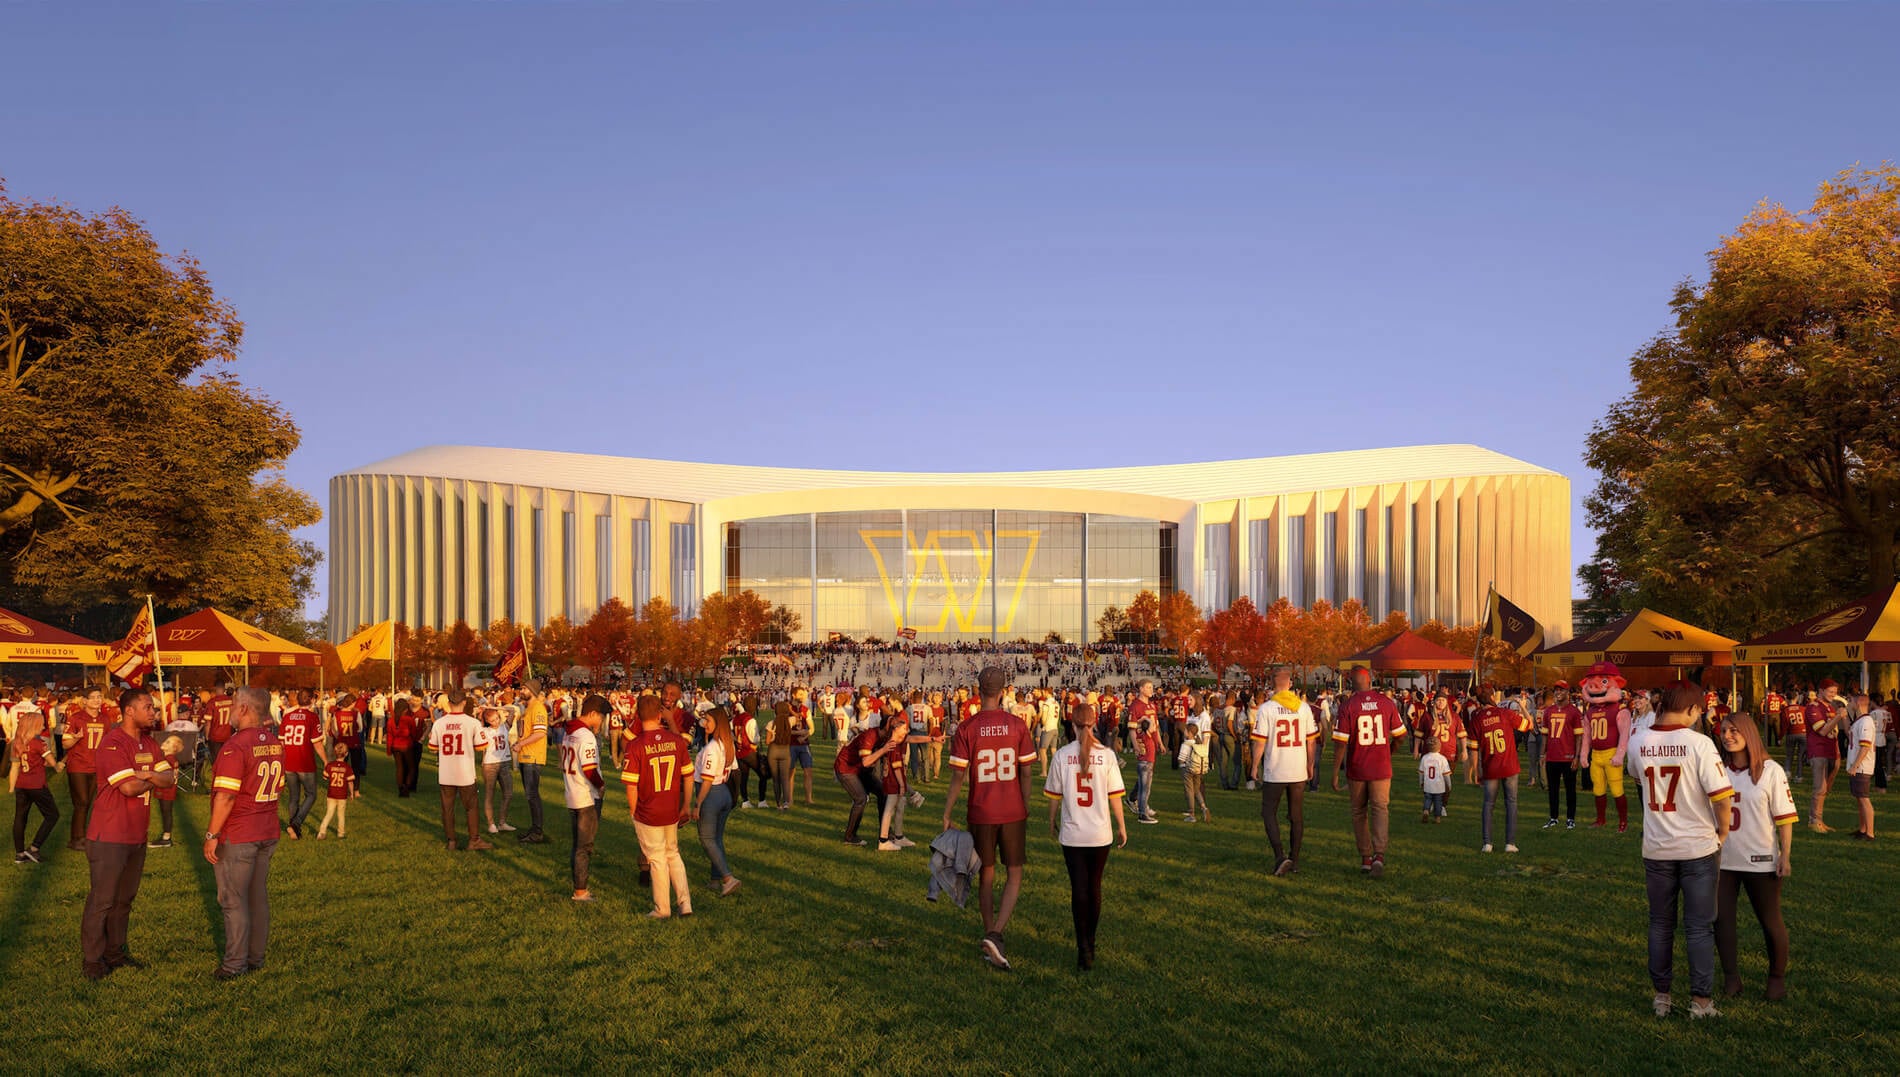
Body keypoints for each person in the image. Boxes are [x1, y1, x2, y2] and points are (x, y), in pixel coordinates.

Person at [1626, 681, 1733, 1018]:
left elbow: (1638, 780)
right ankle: (1701, 1002)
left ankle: (1662, 997)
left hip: (1657, 845)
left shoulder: (1638, 741)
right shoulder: (1699, 743)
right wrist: (1724, 832)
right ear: (1690, 709)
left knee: (1660, 923)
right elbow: (1721, 797)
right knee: (1699, 926)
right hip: (1697, 845)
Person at [941, 665, 1037, 971]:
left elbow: (958, 777)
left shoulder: (967, 727)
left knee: (987, 874)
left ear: (977, 691)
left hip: (981, 809)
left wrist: (947, 812)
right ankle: (996, 933)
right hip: (1012, 810)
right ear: (1005, 690)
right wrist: (1025, 802)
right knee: (1015, 872)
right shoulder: (1017, 725)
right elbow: (1025, 771)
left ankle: (990, 933)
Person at [80, 687, 173, 980]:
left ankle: (115, 953)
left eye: (154, 708)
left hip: (136, 834)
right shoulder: (113, 743)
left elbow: (169, 778)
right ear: (129, 711)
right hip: (109, 835)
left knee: (124, 900)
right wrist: (150, 778)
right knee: (103, 900)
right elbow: (129, 788)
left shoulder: (149, 742)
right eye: (148, 707)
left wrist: (145, 775)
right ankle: (92, 960)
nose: (154, 712)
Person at [202, 687, 283, 980]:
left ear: (245, 709)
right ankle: (255, 956)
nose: (230, 711)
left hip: (240, 831)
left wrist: (212, 834)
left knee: (233, 898)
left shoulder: (235, 746)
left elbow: (226, 797)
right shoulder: (274, 742)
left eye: (234, 705)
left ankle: (235, 963)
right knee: (257, 896)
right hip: (267, 827)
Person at [1713, 712, 1793, 1000]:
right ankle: (1731, 978)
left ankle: (1776, 977)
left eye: (1734, 730)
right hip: (1722, 859)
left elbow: (1783, 818)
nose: (1728, 735)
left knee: (1770, 920)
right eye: (1723, 730)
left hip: (1761, 859)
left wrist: (1785, 854)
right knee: (1721, 920)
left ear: (1749, 732)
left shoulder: (1771, 770)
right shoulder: (1716, 769)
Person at [1044, 703, 1127, 972]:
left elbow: (1054, 797)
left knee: (1078, 889)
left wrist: (1051, 820)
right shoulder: (1107, 755)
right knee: (1095, 888)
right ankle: (1090, 941)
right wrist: (1122, 826)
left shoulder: (1061, 755)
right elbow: (1115, 796)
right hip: (1100, 834)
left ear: (1072, 724)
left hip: (1072, 833)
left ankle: (1083, 946)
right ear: (1093, 724)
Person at [1331, 667, 1407, 878]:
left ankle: (1365, 857)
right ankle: (1379, 855)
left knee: (1358, 812)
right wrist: (1390, 750)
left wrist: (1335, 772)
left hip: (1357, 767)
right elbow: (1400, 735)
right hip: (1381, 767)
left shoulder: (1348, 705)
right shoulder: (1386, 702)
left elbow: (1340, 744)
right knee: (1380, 809)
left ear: (1352, 682)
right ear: (1370, 680)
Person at [624, 695, 693, 918]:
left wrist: (633, 811)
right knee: (673, 854)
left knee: (656, 859)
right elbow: (688, 775)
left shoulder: (635, 745)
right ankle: (685, 904)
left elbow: (631, 786)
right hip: (671, 807)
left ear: (638, 715)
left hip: (648, 810)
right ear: (660, 714)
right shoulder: (676, 740)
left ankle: (662, 908)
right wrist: (686, 804)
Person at [1251, 668, 1319, 875]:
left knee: (1268, 812)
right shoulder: (1304, 708)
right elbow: (1311, 741)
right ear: (1290, 684)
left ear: (1273, 684)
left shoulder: (1266, 709)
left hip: (1275, 769)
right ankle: (1295, 860)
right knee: (1296, 816)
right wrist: (1310, 764)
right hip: (1297, 769)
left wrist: (1254, 765)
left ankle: (1280, 855)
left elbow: (1260, 743)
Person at [1470, 685, 1530, 854]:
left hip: (1490, 766)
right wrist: (1522, 706)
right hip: (1509, 765)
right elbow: (1528, 725)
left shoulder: (1476, 718)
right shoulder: (1505, 713)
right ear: (1491, 697)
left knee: (1488, 805)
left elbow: (1473, 748)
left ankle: (1487, 843)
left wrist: (1475, 770)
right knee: (1511, 803)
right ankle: (1510, 843)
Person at [429, 690, 492, 852]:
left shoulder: (439, 723)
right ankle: (474, 840)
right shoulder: (472, 723)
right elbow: (481, 747)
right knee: (471, 807)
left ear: (449, 703)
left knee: (447, 808)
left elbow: (432, 748)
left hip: (446, 772)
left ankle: (451, 841)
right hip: (465, 772)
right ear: (464, 702)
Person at [690, 706, 742, 896]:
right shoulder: (725, 743)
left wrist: (697, 804)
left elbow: (707, 780)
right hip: (724, 792)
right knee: (716, 838)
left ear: (717, 723)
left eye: (709, 721)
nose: (705, 724)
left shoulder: (712, 748)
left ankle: (728, 878)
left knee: (706, 839)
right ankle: (715, 879)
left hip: (711, 793)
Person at [1577, 662, 1633, 831]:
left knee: (1617, 789)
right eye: (1591, 681)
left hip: (1611, 753)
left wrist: (1619, 754)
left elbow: (1624, 735)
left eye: (1603, 682)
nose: (1594, 686)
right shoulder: (1590, 711)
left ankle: (1623, 822)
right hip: (1596, 755)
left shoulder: (1619, 709)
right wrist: (1584, 754)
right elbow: (1587, 735)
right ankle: (1601, 819)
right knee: (1598, 788)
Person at [561, 694, 607, 902]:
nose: (602, 722)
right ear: (593, 714)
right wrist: (601, 785)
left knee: (577, 844)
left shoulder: (569, 732)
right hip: (585, 796)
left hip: (572, 792)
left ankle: (579, 886)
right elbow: (589, 769)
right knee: (584, 846)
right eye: (601, 717)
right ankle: (580, 891)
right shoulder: (585, 736)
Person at [61, 688, 115, 851]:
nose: (97, 700)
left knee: (87, 803)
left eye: (99, 697)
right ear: (84, 701)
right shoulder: (76, 717)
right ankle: (77, 838)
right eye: (92, 698)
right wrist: (76, 738)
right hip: (78, 764)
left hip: (96, 765)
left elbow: (106, 743)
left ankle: (79, 837)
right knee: (82, 802)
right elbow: (65, 743)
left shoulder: (105, 719)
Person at [8, 705, 59, 863]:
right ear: (34, 726)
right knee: (52, 815)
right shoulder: (39, 743)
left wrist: (11, 787)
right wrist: (58, 765)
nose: (44, 726)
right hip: (36, 785)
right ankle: (34, 848)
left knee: (20, 817)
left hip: (21, 786)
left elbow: (15, 767)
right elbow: (52, 763)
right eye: (41, 724)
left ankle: (20, 854)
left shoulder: (17, 743)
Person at [833, 710, 887, 847]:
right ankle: (849, 836)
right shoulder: (869, 737)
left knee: (883, 792)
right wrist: (883, 750)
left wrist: (932, 738)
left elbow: (908, 739)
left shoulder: (881, 736)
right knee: (861, 799)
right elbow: (866, 762)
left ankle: (885, 832)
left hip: (858, 768)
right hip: (847, 768)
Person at [278, 689, 324, 841]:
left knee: (293, 797)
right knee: (311, 795)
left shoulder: (288, 716)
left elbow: (281, 742)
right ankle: (296, 824)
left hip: (289, 761)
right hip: (304, 762)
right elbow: (317, 744)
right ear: (310, 700)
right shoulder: (312, 717)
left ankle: (294, 829)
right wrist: (326, 761)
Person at [1540, 682, 1585, 829]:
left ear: (1568, 692)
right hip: (1552, 756)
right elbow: (1545, 736)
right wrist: (1542, 754)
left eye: (1561, 690)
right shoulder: (1548, 711)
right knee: (1553, 789)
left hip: (1568, 756)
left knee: (1570, 789)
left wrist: (1576, 757)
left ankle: (1570, 818)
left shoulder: (1574, 712)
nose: (1558, 692)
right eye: (1556, 690)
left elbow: (1579, 737)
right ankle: (1553, 817)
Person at [1804, 681, 1845, 831]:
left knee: (1825, 788)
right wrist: (1838, 717)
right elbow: (1822, 731)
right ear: (1820, 691)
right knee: (1819, 787)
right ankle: (1814, 821)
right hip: (1819, 751)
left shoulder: (1830, 707)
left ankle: (1819, 820)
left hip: (1832, 751)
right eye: (1830, 692)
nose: (1833, 695)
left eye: (1835, 692)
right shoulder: (1812, 707)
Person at [514, 681, 551, 844]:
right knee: (530, 795)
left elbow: (540, 733)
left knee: (532, 795)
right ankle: (535, 828)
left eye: (524, 688)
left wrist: (521, 744)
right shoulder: (528, 708)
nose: (521, 691)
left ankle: (537, 831)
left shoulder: (537, 708)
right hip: (526, 756)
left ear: (532, 691)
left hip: (532, 757)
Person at [877, 713, 915, 851]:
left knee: (900, 808)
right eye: (904, 729)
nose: (906, 731)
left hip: (894, 781)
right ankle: (883, 840)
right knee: (889, 810)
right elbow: (896, 767)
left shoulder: (894, 742)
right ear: (896, 729)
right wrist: (902, 785)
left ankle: (899, 837)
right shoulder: (893, 744)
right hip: (893, 782)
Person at [480, 704, 515, 835]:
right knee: (490, 794)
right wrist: (483, 712)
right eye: (492, 720)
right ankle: (491, 824)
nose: (496, 722)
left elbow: (512, 710)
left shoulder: (504, 727)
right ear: (488, 721)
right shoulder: (484, 730)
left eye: (497, 718)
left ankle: (502, 822)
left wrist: (493, 707)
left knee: (508, 793)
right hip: (490, 764)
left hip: (504, 762)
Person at [1847, 693, 1877, 840]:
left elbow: (1865, 747)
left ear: (1858, 703)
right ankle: (1863, 828)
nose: (1849, 703)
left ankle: (1870, 832)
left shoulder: (1866, 722)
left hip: (1862, 766)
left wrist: (1855, 765)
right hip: (1857, 766)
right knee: (1859, 798)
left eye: (1851, 700)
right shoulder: (1859, 721)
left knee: (1864, 798)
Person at [1180, 694, 1212, 823]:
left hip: (1195, 755)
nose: (1188, 701)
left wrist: (1201, 754)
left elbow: (1206, 738)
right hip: (1191, 751)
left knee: (1191, 786)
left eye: (1191, 699)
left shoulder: (1204, 717)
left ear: (1198, 700)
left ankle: (1192, 812)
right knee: (1196, 787)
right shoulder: (1191, 714)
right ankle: (1202, 807)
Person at [315, 743, 356, 838]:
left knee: (329, 813)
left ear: (335, 753)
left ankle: (322, 832)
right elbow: (350, 782)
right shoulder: (347, 768)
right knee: (341, 815)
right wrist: (352, 793)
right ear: (346, 754)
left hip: (331, 794)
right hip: (342, 795)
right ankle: (341, 833)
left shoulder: (330, 765)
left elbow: (325, 777)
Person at [149, 735, 182, 848]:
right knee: (165, 812)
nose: (164, 742)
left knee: (166, 812)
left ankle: (166, 838)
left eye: (168, 742)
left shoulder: (168, 759)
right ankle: (166, 836)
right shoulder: (172, 759)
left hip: (166, 790)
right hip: (169, 789)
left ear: (174, 748)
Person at [387, 697, 421, 797]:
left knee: (399, 768)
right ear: (405, 709)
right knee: (411, 767)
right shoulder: (409, 720)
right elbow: (414, 734)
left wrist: (389, 749)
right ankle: (406, 786)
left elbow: (389, 736)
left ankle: (400, 787)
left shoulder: (391, 720)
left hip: (395, 746)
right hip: (406, 746)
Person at [1418, 737, 1449, 822]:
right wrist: (1449, 785)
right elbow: (1446, 775)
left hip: (1428, 784)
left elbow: (1421, 772)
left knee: (1427, 799)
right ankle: (1437, 818)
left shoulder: (1424, 758)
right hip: (1439, 786)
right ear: (1440, 747)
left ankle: (1426, 811)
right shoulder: (1442, 759)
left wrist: (1421, 782)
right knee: (1438, 801)